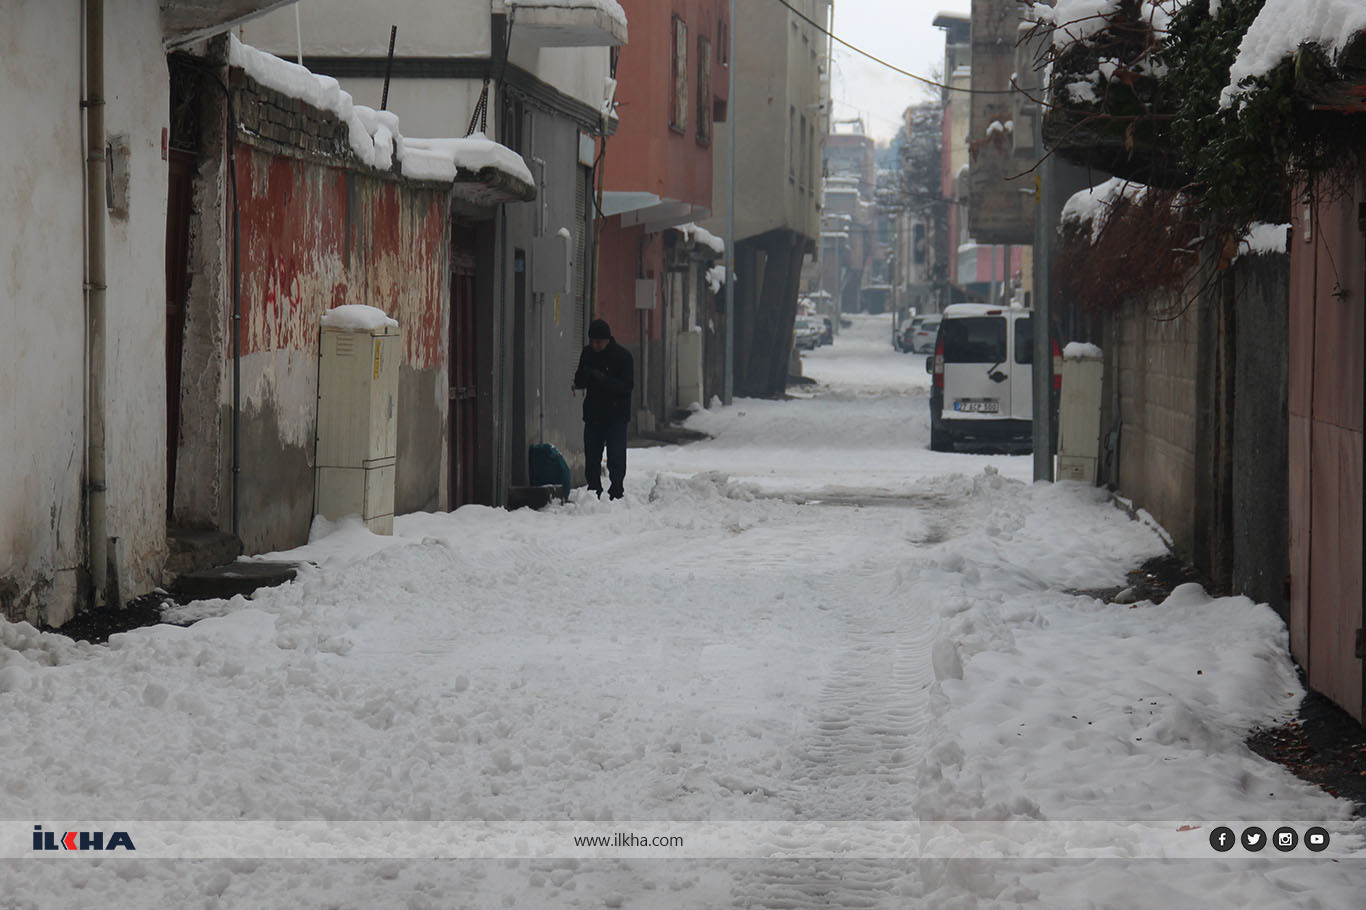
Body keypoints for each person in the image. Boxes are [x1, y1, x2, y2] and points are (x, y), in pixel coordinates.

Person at [572, 318, 634, 499]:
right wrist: (586, 376)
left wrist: (603, 379)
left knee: (616, 455)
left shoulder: (622, 357)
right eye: (592, 341)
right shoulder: (588, 354)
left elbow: (626, 386)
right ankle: (594, 490)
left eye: (598, 341)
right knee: (592, 456)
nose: (595, 345)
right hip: (594, 413)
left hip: (616, 414)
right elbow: (579, 379)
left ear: (607, 340)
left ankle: (616, 490)